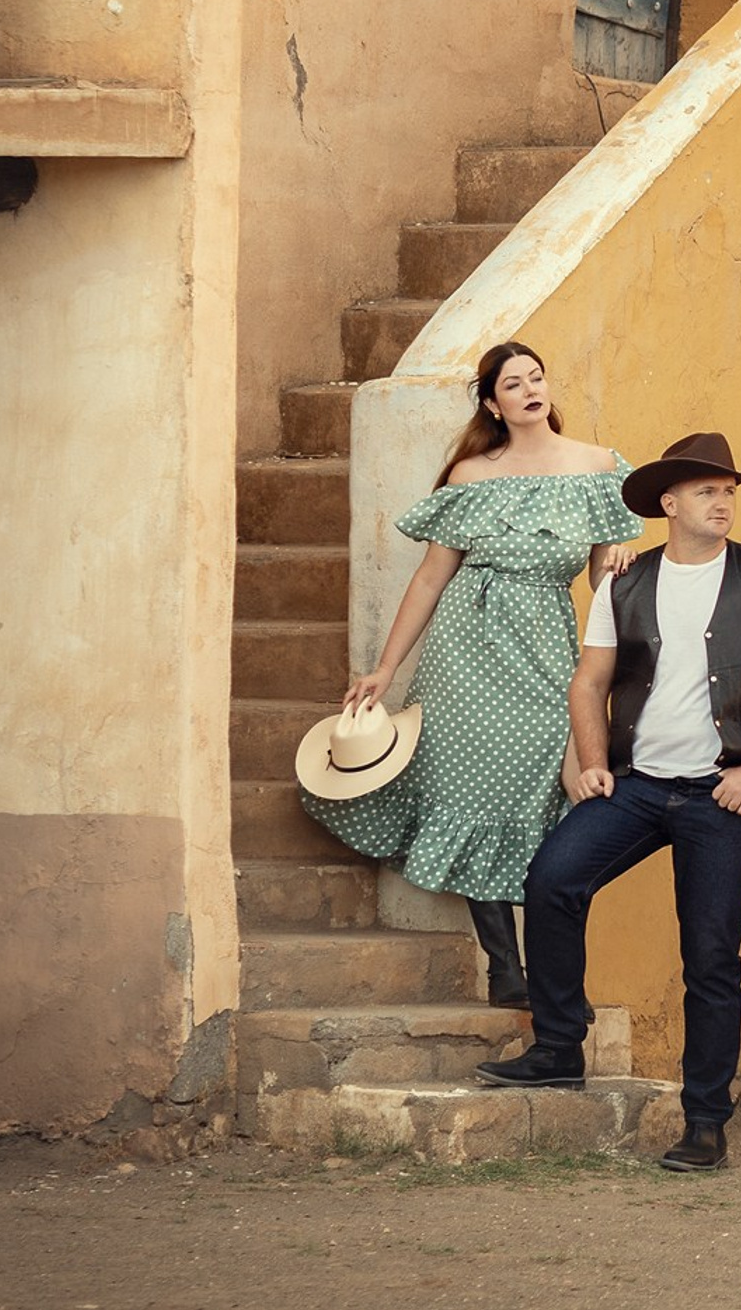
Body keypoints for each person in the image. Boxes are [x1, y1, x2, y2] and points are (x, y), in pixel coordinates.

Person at [479, 430, 741, 1175]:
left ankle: (705, 1123)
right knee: (553, 879)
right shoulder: (625, 583)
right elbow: (590, 682)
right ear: (669, 503)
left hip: (721, 794)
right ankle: (560, 1046)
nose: (722, 502)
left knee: (710, 957)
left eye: (729, 490)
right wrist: (594, 764)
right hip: (635, 787)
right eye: (706, 490)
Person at [296, 339, 639, 1007]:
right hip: (467, 649)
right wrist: (385, 669)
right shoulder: (471, 477)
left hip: (546, 645)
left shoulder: (598, 469)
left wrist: (616, 564)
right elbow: (430, 578)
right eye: (514, 384)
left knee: (554, 791)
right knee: (473, 791)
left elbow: (600, 579)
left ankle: (553, 966)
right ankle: (505, 969)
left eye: (537, 377)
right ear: (493, 403)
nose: (531, 389)